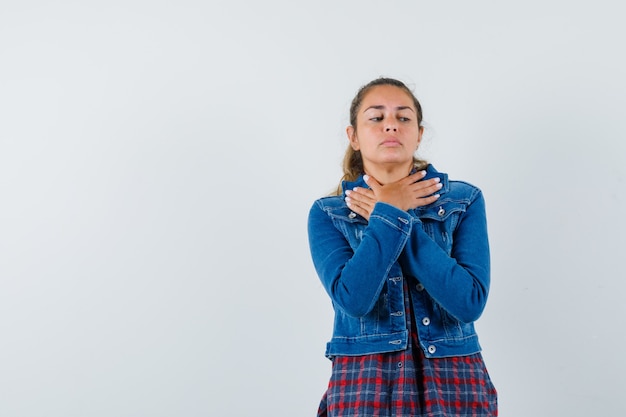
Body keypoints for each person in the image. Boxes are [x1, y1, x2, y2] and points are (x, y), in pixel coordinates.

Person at [307, 77, 498, 416]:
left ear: (419, 133)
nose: (391, 126)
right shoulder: (329, 213)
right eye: (376, 118)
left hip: (454, 383)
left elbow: (468, 302)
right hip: (365, 384)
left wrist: (390, 214)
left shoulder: (463, 201)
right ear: (353, 136)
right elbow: (355, 299)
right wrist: (390, 212)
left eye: (403, 117)